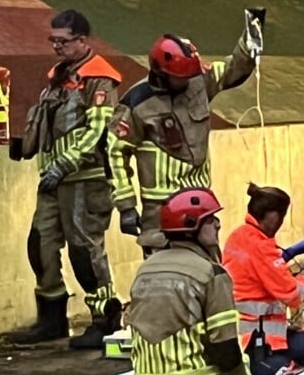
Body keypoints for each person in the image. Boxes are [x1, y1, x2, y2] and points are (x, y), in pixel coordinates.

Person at [125, 187, 279, 375]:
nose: (218, 224)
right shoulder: (210, 273)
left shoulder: (144, 269)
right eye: (210, 219)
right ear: (191, 226)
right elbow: (225, 348)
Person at [8, 10, 124, 348]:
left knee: (85, 252)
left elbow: (97, 129)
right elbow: (48, 122)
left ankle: (105, 318)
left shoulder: (99, 79)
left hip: (85, 180)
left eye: (63, 41)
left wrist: (64, 164)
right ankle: (51, 317)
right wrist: (24, 145)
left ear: (83, 40)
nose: (56, 47)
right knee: (39, 243)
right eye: (53, 40)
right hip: (53, 180)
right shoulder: (59, 77)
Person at [109, 15, 261, 252]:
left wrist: (251, 37)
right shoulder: (136, 103)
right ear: (160, 73)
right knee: (162, 272)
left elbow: (233, 69)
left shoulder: (198, 80)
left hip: (200, 201)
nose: (187, 82)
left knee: (208, 268)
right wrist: (126, 206)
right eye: (180, 78)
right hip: (159, 209)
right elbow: (115, 153)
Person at [220, 184, 304, 374]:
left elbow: (257, 268)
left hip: (241, 337)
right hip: (261, 343)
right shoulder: (262, 246)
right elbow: (293, 295)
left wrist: (287, 254)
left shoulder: (239, 236)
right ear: (273, 215)